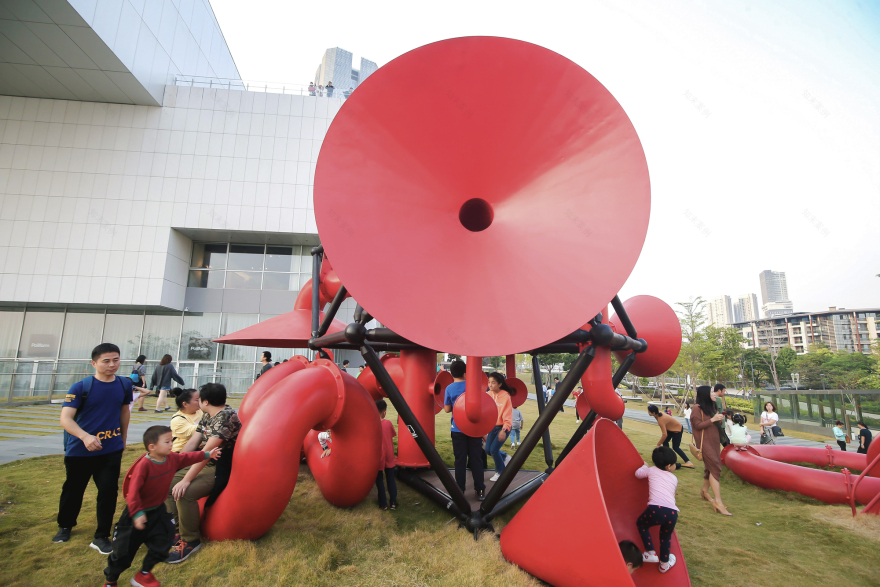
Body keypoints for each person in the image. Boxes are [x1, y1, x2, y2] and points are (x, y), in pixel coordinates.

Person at [101, 426, 220, 587]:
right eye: (167, 441)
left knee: (163, 544)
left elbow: (187, 457)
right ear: (152, 447)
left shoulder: (171, 458)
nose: (171, 444)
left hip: (158, 512)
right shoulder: (144, 466)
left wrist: (208, 454)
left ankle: (143, 574)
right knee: (123, 553)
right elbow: (133, 493)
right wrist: (137, 514)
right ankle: (110, 581)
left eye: (172, 440)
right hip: (135, 515)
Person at [54, 343, 134, 552]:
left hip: (110, 449)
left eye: (116, 360)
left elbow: (124, 412)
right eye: (106, 361)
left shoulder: (124, 385)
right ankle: (65, 525)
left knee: (108, 491)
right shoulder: (80, 387)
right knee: (74, 490)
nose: (112, 364)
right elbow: (65, 419)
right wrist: (84, 436)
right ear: (94, 363)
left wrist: (123, 439)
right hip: (80, 450)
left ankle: (101, 536)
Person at [164, 383, 240, 564]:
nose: (197, 403)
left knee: (185, 493)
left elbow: (207, 452)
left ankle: (190, 540)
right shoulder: (208, 415)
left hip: (220, 466)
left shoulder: (226, 417)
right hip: (205, 461)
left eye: (199, 399)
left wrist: (186, 480)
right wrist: (175, 463)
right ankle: (176, 533)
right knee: (167, 482)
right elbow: (193, 443)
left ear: (206, 402)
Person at [443, 359, 486, 500]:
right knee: (476, 459)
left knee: (459, 460)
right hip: (474, 428)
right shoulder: (474, 386)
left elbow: (447, 409)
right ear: (465, 373)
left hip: (457, 429)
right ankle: (480, 490)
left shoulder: (449, 388)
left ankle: (460, 490)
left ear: (451, 373)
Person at [634, 447, 680, 573]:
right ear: (669, 466)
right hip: (672, 513)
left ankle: (651, 553)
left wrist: (644, 466)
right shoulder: (674, 478)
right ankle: (664, 564)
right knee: (665, 537)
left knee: (641, 524)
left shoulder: (652, 470)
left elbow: (637, 474)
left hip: (656, 509)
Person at [691, 385, 731, 516]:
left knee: (709, 467)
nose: (714, 393)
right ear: (705, 394)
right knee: (715, 467)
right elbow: (696, 426)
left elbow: (714, 425)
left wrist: (718, 419)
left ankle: (704, 491)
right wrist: (713, 420)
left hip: (714, 442)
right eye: (711, 392)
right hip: (705, 443)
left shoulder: (710, 407)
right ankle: (718, 502)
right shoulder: (697, 408)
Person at [485, 372, 513, 482]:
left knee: (494, 450)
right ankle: (505, 457)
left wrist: (504, 430)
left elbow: (508, 415)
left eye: (493, 383)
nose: (490, 385)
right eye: (489, 382)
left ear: (500, 384)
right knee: (488, 450)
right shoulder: (488, 394)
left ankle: (500, 472)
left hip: (503, 427)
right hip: (492, 427)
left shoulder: (506, 396)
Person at [647, 404, 694, 469]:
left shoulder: (661, 420)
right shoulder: (658, 414)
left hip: (677, 429)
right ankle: (667, 459)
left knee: (675, 447)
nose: (648, 413)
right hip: (670, 429)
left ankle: (688, 462)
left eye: (649, 411)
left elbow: (664, 434)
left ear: (653, 413)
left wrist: (658, 444)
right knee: (665, 442)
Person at [375, 399, 398, 510]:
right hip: (389, 454)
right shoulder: (388, 423)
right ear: (384, 412)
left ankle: (383, 504)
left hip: (378, 456)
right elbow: (392, 435)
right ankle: (393, 502)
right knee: (390, 479)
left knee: (379, 480)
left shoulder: (372, 425)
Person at [169, 389, 203, 453]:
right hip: (181, 451)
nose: (200, 402)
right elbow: (195, 431)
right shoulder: (177, 420)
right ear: (185, 404)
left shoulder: (200, 411)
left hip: (198, 448)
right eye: (197, 400)